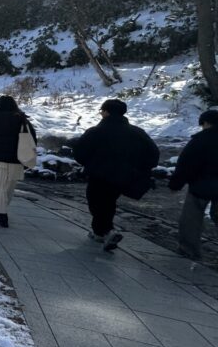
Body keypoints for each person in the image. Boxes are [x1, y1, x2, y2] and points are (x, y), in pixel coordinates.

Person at [73, 98, 160, 252]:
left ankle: (106, 231)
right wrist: (138, 168)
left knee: (96, 202)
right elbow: (153, 154)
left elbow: (79, 152)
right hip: (124, 176)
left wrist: (90, 163)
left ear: (105, 112)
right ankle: (101, 232)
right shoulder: (137, 132)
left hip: (99, 174)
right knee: (109, 203)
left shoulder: (96, 131)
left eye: (102, 111)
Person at [168, 109, 218, 260]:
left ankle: (189, 251)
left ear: (206, 123)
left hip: (200, 187)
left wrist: (175, 184)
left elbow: (186, 165)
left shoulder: (200, 140)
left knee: (191, 219)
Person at [0, 95, 37, 228]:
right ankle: (3, 212)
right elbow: (32, 138)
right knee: (9, 189)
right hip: (16, 159)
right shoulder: (21, 119)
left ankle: (2, 214)